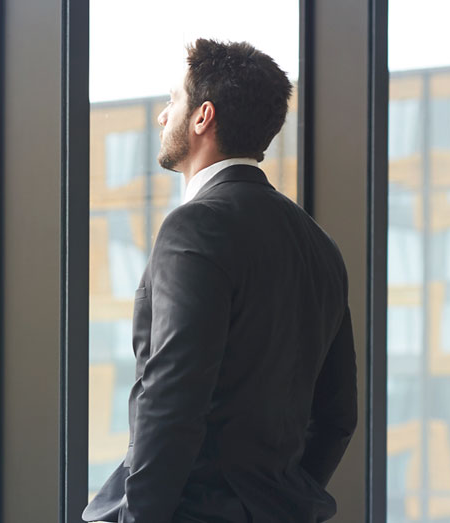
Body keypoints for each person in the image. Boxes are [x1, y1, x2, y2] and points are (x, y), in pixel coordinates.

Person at [83, 39, 356, 523]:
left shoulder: (194, 226)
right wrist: (281, 500)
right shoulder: (320, 245)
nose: (162, 116)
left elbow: (172, 398)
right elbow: (337, 417)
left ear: (202, 117)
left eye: (173, 101)